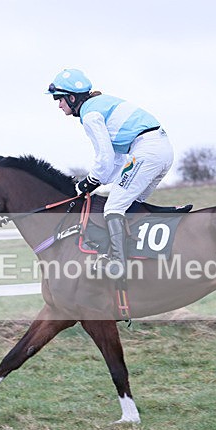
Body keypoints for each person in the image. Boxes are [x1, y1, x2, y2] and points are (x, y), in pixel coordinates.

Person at [46, 68, 174, 281]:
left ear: (71, 97)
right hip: (160, 149)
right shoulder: (99, 104)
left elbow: (104, 157)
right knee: (131, 204)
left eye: (59, 99)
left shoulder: (90, 115)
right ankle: (136, 255)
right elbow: (115, 160)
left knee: (113, 207)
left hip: (146, 151)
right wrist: (95, 181)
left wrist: (88, 182)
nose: (58, 105)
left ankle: (117, 264)